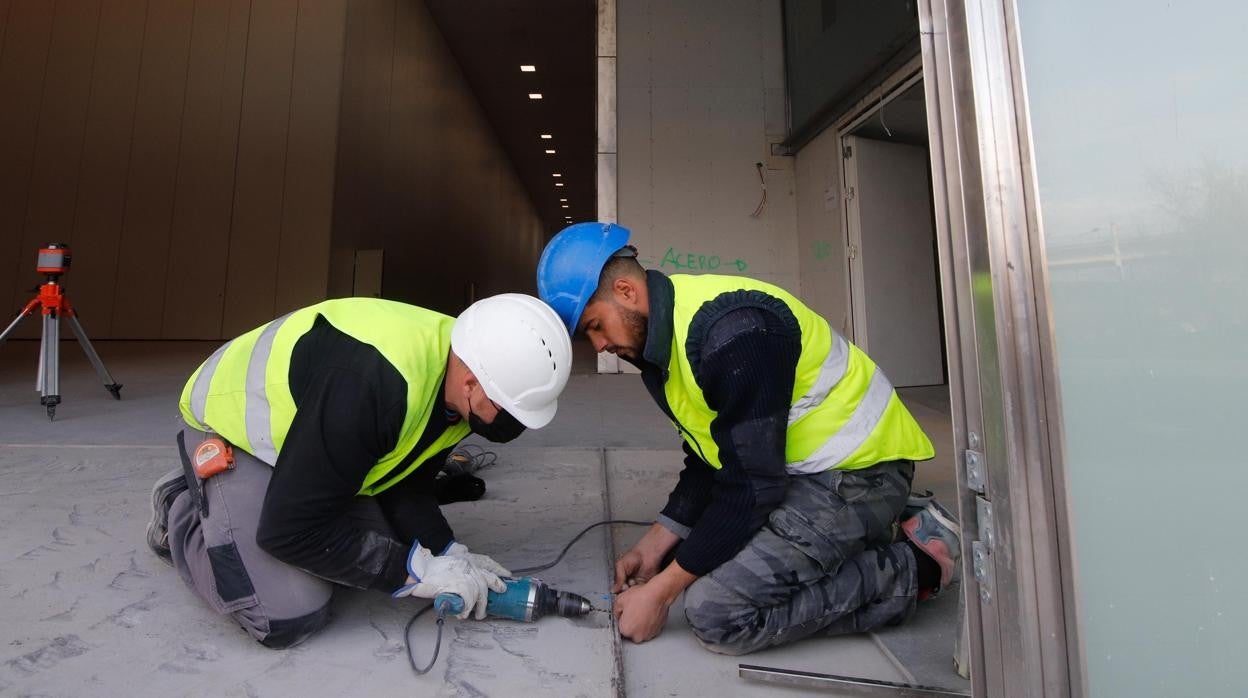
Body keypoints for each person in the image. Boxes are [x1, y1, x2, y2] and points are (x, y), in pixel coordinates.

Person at [537, 222, 960, 655]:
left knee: (717, 612)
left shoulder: (735, 332)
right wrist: (657, 542)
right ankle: (861, 534)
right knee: (701, 552)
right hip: (796, 471)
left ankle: (914, 564)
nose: (601, 344)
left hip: (860, 475)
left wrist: (661, 591)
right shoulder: (666, 344)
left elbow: (752, 487)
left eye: (595, 326)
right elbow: (713, 455)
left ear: (626, 292)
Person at [144, 294, 571, 648]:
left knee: (375, 548)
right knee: (287, 611)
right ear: (472, 381)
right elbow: (288, 530)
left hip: (318, 432)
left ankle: (272, 490)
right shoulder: (372, 384)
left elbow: (407, 483)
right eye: (506, 410)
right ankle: (180, 509)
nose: (510, 426)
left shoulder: (460, 381)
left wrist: (446, 552)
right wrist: (417, 571)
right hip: (229, 421)